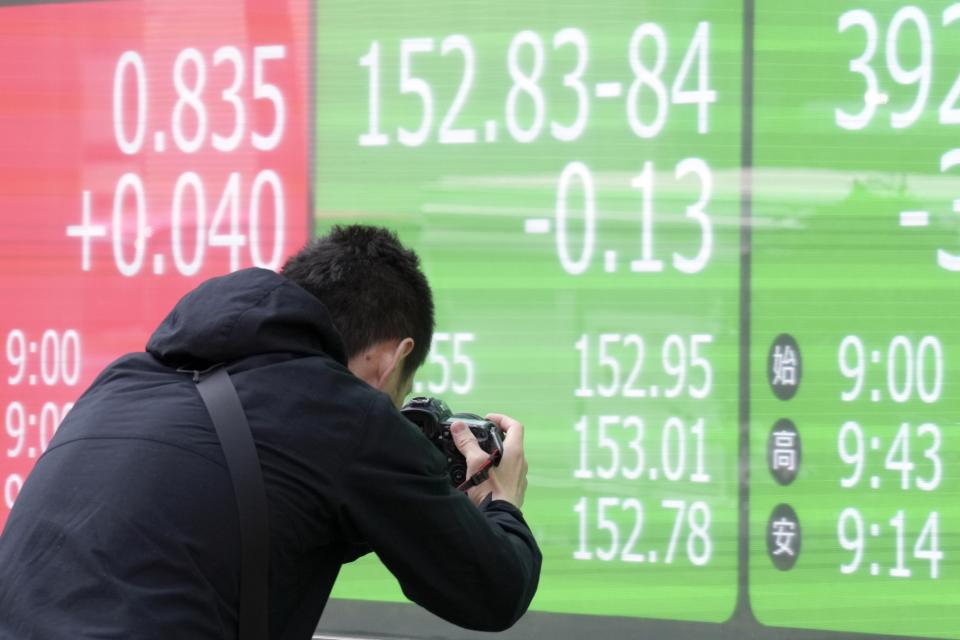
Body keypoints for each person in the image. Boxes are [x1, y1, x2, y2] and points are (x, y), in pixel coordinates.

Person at [0, 225, 541, 639]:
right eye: (401, 390)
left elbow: (271, 517)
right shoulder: (345, 414)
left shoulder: (124, 380)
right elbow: (491, 591)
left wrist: (433, 507)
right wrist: (504, 508)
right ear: (389, 357)